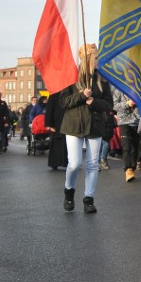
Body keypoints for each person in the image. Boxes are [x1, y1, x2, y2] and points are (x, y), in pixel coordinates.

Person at [59, 44, 113, 214]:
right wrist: (82, 95)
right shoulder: (71, 77)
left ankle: (89, 199)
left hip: (95, 125)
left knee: (92, 165)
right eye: (96, 58)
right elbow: (63, 102)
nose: (98, 60)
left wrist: (94, 102)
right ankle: (69, 191)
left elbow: (109, 104)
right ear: (88, 59)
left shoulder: (102, 79)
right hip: (73, 125)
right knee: (74, 164)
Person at [113, 87, 141, 182]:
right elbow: (114, 105)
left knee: (135, 148)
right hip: (124, 122)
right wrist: (127, 104)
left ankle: (133, 167)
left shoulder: (137, 89)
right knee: (126, 147)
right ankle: (128, 169)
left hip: (136, 121)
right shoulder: (118, 90)